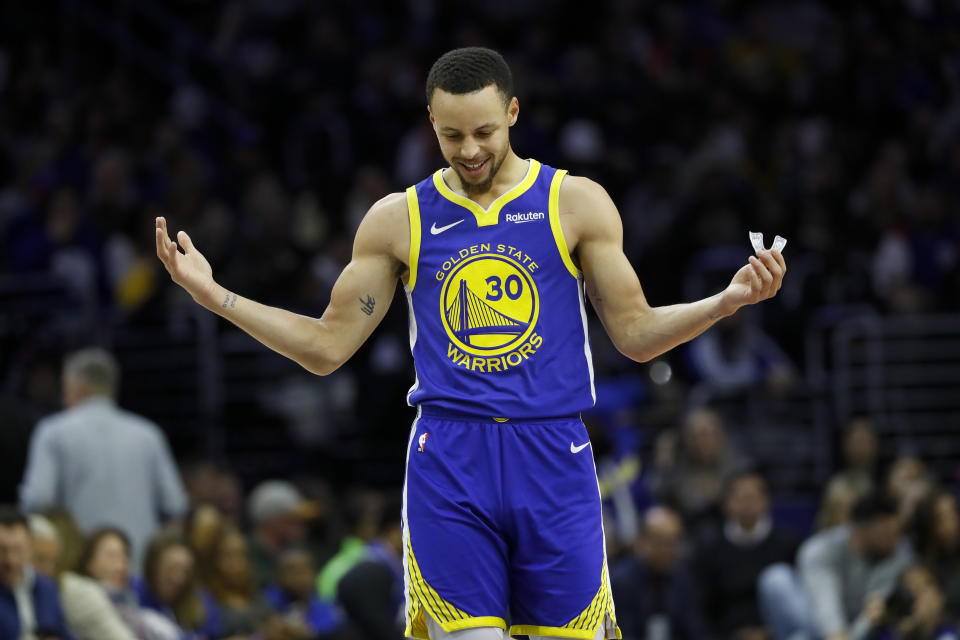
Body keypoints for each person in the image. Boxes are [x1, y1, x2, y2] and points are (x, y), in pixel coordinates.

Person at [155, 46, 787, 640]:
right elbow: (325, 348)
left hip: (553, 454)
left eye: (484, 132)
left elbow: (638, 336)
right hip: (451, 459)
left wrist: (725, 302)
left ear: (512, 113)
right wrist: (217, 297)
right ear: (431, 122)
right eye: (451, 135)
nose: (470, 150)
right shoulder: (398, 218)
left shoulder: (575, 203)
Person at [19, 347, 189, 573]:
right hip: (138, 570)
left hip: (80, 568)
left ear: (76, 388)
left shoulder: (52, 432)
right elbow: (176, 507)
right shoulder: (148, 435)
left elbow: (38, 500)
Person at [759, 491, 913, 640]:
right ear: (861, 531)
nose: (895, 541)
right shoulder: (820, 549)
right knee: (776, 578)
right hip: (815, 621)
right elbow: (825, 604)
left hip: (856, 630)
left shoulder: (898, 553)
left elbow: (873, 613)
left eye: (897, 533)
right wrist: (836, 634)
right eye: (887, 534)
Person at [693, 469, 799, 640]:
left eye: (752, 498)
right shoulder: (709, 551)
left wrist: (767, 632)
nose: (747, 505)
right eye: (740, 498)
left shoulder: (788, 544)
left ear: (766, 501)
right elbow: (702, 608)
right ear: (726, 503)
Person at [609, 506, 707, 640]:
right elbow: (618, 633)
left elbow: (695, 628)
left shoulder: (682, 577)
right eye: (661, 542)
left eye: (674, 542)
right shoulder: (620, 582)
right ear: (642, 541)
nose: (669, 550)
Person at [0, 506, 74, 639]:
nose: (10, 559)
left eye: (17, 549)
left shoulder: (46, 588)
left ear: (29, 547)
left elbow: (65, 633)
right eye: (2, 550)